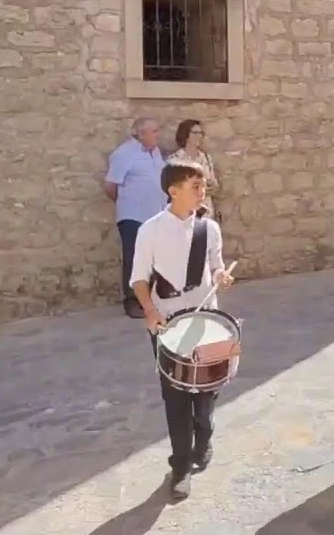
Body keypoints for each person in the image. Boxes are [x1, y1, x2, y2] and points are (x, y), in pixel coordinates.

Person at [130, 160, 235, 499]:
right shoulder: (150, 230)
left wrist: (222, 277)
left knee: (206, 392)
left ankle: (204, 435)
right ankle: (180, 466)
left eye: (203, 185)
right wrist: (149, 310)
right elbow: (139, 280)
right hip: (168, 321)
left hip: (207, 319)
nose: (202, 192)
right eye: (195, 185)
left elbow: (217, 267)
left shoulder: (210, 229)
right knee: (175, 395)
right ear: (173, 190)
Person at [104, 117, 167, 319]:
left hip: (155, 215)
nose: (157, 135)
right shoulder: (124, 154)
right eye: (154, 131)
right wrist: (126, 204)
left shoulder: (155, 152)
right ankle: (132, 301)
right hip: (133, 216)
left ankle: (153, 298)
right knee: (134, 259)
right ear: (141, 134)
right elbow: (110, 186)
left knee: (155, 258)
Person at [170, 119, 220, 219]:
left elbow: (213, 184)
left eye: (201, 133)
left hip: (205, 212)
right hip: (184, 213)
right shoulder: (175, 160)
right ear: (186, 134)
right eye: (195, 133)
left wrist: (210, 188)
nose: (199, 136)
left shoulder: (206, 158)